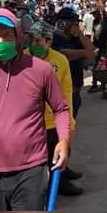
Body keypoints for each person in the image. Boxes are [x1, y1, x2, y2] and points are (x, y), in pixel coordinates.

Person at [0, 10, 72, 211]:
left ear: (19, 36)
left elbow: (61, 108)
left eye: (8, 35)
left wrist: (63, 140)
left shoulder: (41, 70)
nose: (1, 41)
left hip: (31, 169)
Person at [27, 21, 84, 196]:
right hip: (30, 121)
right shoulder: (21, 59)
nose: (35, 44)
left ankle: (60, 182)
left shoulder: (60, 61)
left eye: (39, 41)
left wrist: (69, 120)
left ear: (49, 41)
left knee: (58, 152)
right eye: (32, 40)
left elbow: (66, 92)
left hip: (53, 120)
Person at [51, 7, 96, 117]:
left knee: (74, 105)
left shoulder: (75, 36)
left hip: (75, 80)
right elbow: (62, 54)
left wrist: (80, 34)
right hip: (60, 81)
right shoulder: (55, 37)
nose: (75, 25)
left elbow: (91, 51)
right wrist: (83, 53)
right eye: (73, 23)